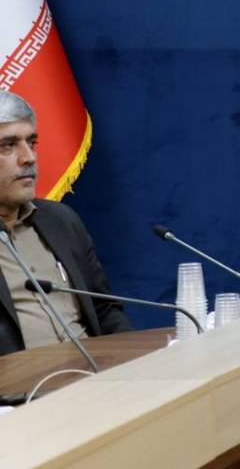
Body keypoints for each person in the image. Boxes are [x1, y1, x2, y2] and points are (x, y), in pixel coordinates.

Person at [0, 91, 131, 356]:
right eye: (8, 145)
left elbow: (104, 310)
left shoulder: (61, 220)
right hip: (22, 382)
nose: (29, 157)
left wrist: (136, 361)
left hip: (95, 374)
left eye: (32, 142)